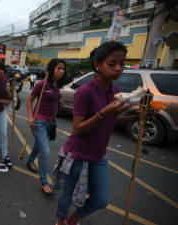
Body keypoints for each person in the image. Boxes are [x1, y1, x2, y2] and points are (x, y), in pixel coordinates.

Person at [55, 41, 139, 225]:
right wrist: (104, 113)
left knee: (100, 200)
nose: (118, 68)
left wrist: (134, 118)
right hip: (78, 154)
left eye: (122, 63)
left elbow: (111, 120)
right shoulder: (85, 92)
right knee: (67, 197)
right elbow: (78, 128)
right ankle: (60, 221)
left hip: (99, 156)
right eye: (112, 64)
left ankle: (72, 220)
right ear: (97, 65)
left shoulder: (115, 91)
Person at [26, 58, 66, 195]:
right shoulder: (42, 85)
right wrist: (31, 117)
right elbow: (30, 100)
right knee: (45, 151)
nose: (61, 71)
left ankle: (30, 161)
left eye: (63, 69)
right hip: (39, 122)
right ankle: (44, 183)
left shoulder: (58, 85)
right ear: (52, 69)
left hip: (51, 123)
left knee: (39, 144)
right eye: (58, 68)